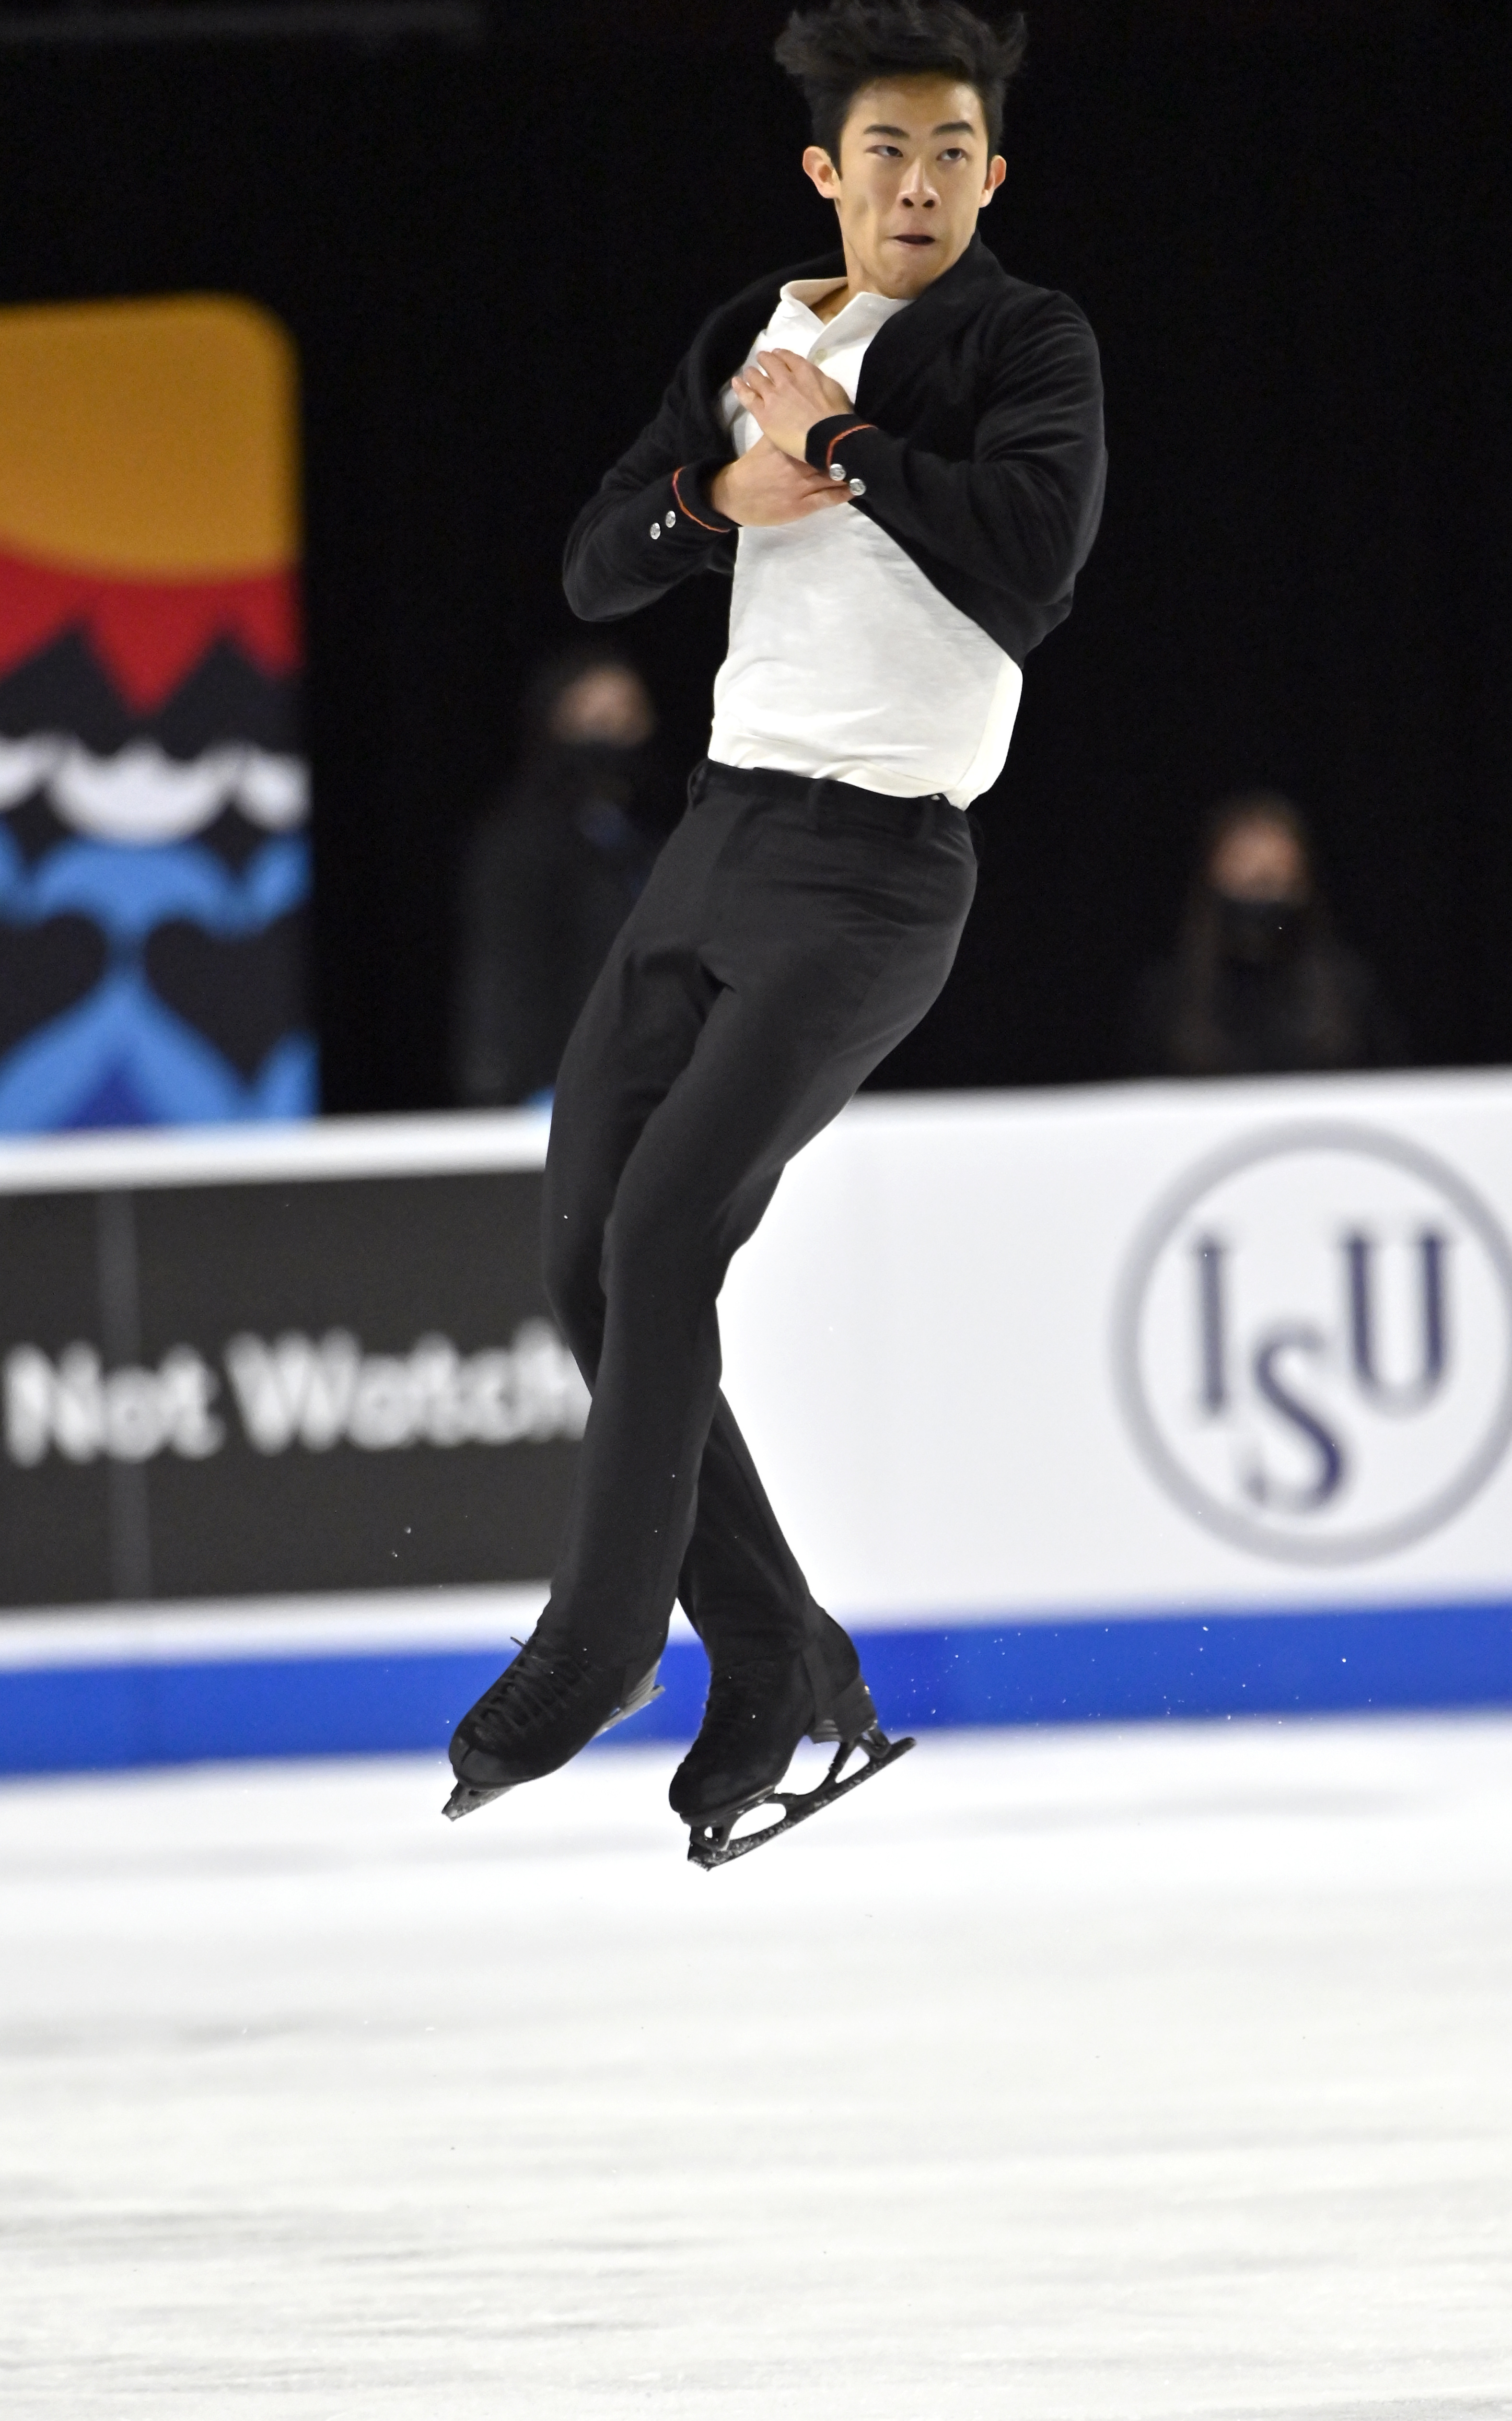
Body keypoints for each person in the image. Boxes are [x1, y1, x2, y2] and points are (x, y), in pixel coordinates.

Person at [444, 0, 1106, 1865]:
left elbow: (1029, 566)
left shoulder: (1018, 341)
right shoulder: (754, 327)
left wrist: (851, 446)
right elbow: (589, 562)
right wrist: (705, 495)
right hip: (714, 842)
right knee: (586, 1259)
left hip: (878, 874)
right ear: (826, 169)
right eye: (883, 151)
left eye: (951, 153)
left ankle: (588, 1650)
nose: (917, 182)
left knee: (665, 1235)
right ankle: (778, 1655)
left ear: (992, 172)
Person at [453, 649, 666, 1107]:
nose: (614, 736)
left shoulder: (656, 839)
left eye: (628, 716)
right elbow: (507, 973)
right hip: (556, 1088)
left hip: (656, 1081)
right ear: (555, 724)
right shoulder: (520, 840)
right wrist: (510, 1084)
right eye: (595, 718)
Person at [1129, 790, 1404, 1077]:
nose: (1260, 896)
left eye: (1273, 880)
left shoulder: (1349, 994)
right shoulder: (1167, 999)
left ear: (1303, 884)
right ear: (1210, 877)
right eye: (1246, 875)